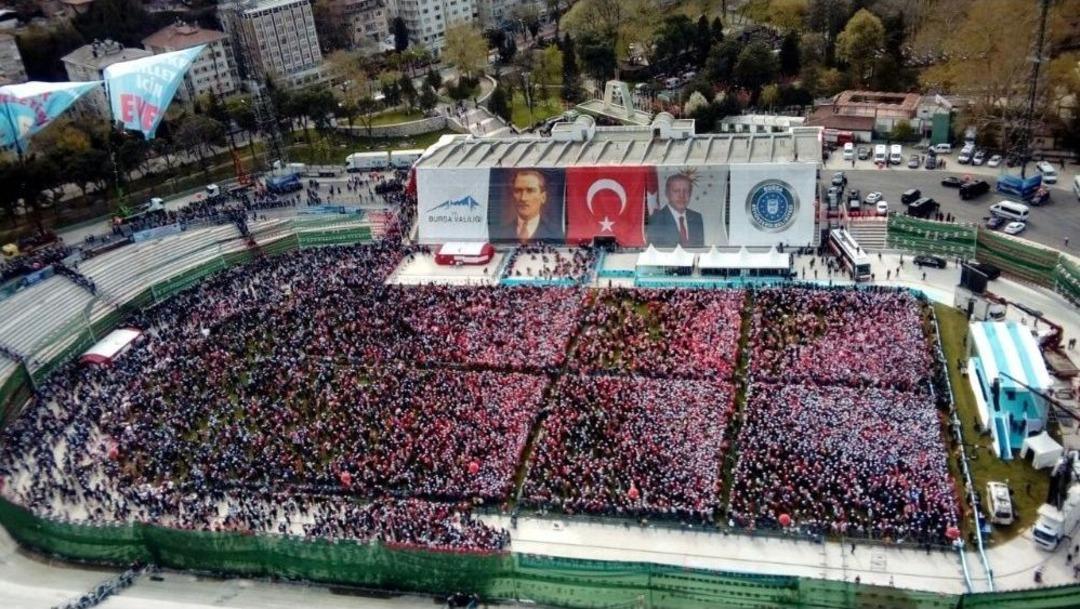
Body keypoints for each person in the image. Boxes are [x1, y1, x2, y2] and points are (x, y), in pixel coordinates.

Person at [490, 170, 564, 242]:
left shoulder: (556, 234)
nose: (523, 198)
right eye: (518, 191)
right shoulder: (499, 234)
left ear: (543, 197)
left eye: (530, 191)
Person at [646, 174, 705, 247]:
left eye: (686, 191)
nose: (682, 196)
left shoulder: (696, 218)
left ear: (690, 194)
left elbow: (699, 250)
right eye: (676, 191)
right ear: (667, 193)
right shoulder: (656, 220)